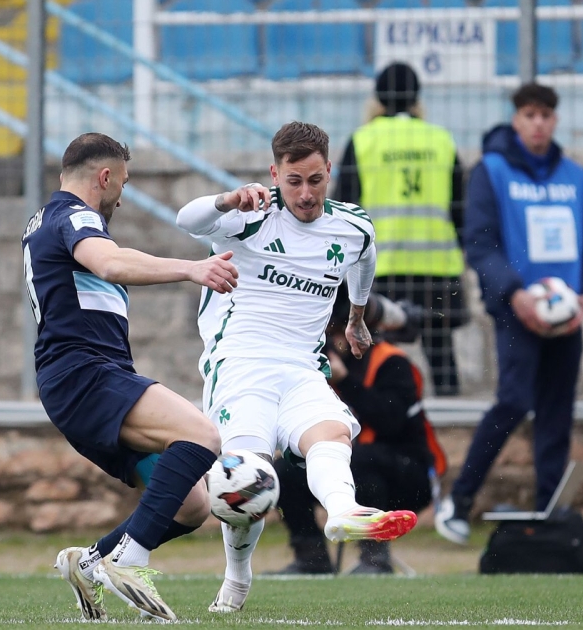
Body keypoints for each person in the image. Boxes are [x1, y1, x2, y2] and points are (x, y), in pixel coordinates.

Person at [175, 122, 418, 613]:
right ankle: (237, 576)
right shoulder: (251, 216)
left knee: (331, 432)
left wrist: (356, 317)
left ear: (329, 171)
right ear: (274, 175)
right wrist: (227, 200)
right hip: (241, 364)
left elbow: (365, 258)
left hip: (304, 366)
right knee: (247, 477)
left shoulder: (351, 226)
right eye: (293, 182)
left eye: (315, 180)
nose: (305, 194)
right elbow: (187, 219)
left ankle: (344, 511)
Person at [26, 133, 237, 621]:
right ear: (105, 177)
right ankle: (128, 560)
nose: (121, 195)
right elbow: (111, 262)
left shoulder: (47, 220)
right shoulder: (76, 216)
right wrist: (193, 268)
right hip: (83, 374)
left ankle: (90, 563)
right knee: (202, 434)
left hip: (79, 381)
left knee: (192, 504)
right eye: (122, 182)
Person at [435, 83, 583, 544]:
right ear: (516, 120)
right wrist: (514, 294)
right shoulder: (491, 172)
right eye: (530, 115)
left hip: (567, 313)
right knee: (513, 401)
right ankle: (459, 501)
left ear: (555, 120)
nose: (538, 123)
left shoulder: (573, 175)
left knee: (557, 411)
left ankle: (551, 517)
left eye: (546, 115)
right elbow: (480, 243)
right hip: (517, 311)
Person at [271, 288, 447, 575]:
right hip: (359, 467)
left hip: (408, 474)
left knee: (361, 459)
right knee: (284, 470)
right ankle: (311, 559)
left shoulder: (391, 362)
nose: (332, 340)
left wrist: (345, 381)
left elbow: (390, 422)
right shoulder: (319, 369)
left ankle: (375, 557)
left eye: (335, 331)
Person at [335, 61, 469, 396]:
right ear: (415, 97)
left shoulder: (363, 140)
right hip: (436, 266)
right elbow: (460, 207)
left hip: (382, 266)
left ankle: (382, 415)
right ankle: (451, 413)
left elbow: (344, 208)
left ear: (378, 97)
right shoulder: (440, 140)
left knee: (377, 351)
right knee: (441, 349)